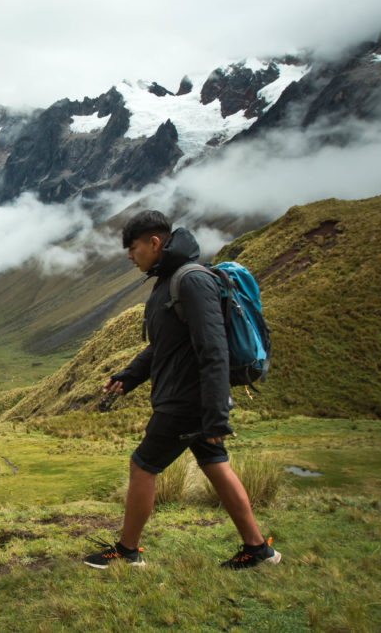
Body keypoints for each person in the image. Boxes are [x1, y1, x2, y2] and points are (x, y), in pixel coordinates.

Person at [83, 210, 281, 570]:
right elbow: (163, 346)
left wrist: (217, 417)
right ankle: (257, 550)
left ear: (155, 243)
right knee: (215, 464)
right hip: (191, 399)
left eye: (133, 247)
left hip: (184, 402)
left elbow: (214, 349)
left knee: (142, 466)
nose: (129, 255)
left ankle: (126, 552)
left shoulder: (190, 282)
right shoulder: (168, 280)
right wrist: (128, 378)